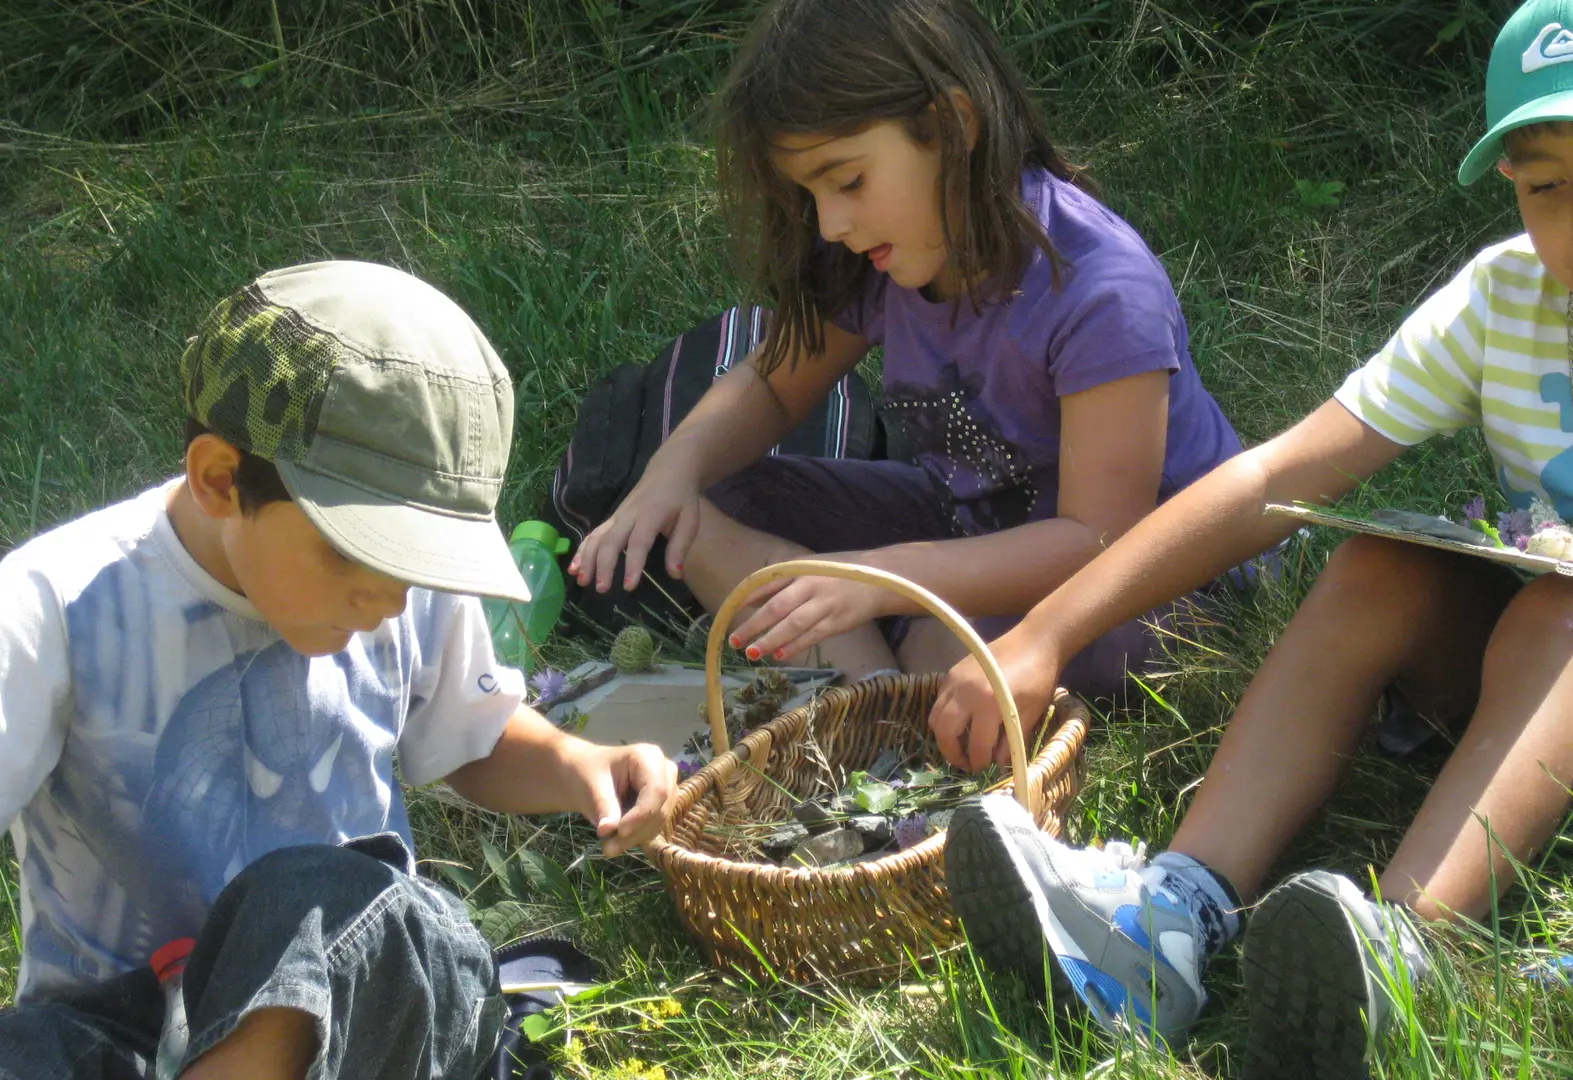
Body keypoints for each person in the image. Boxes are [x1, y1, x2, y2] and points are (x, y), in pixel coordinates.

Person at [929, 0, 1573, 1075]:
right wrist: (1044, 632)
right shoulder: (1507, 295)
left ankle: (1406, 953)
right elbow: (1275, 474)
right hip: (1534, 666)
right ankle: (1172, 916)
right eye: (1544, 185)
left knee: (1569, 609)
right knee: (1378, 561)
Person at [0, 262, 678, 1080]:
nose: (389, 596)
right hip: (133, 1033)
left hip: (367, 1005)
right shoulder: (55, 605)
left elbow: (471, 738)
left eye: (419, 561)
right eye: (362, 552)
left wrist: (583, 768)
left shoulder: (399, 586)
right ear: (220, 479)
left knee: (311, 898)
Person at [567, 0, 1245, 696]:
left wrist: (882, 577)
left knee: (948, 646)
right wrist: (669, 475)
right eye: (812, 194)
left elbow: (1099, 540)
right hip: (967, 532)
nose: (831, 223)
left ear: (952, 126)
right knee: (705, 509)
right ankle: (874, 693)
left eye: (850, 181)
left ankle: (882, 688)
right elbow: (772, 386)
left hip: (1151, 587)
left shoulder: (1099, 289)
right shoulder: (890, 255)